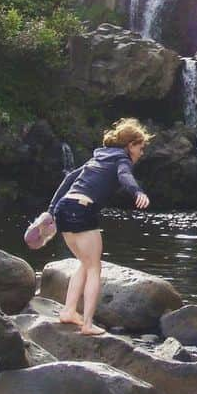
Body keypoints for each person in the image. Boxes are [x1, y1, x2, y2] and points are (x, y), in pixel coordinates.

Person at [47, 118, 151, 335]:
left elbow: (68, 180)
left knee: (84, 264)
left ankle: (68, 312)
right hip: (82, 209)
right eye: (140, 148)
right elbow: (125, 176)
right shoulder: (122, 159)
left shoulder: (98, 157)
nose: (141, 154)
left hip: (64, 208)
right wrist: (137, 192)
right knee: (95, 267)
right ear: (130, 145)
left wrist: (50, 211)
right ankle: (87, 324)